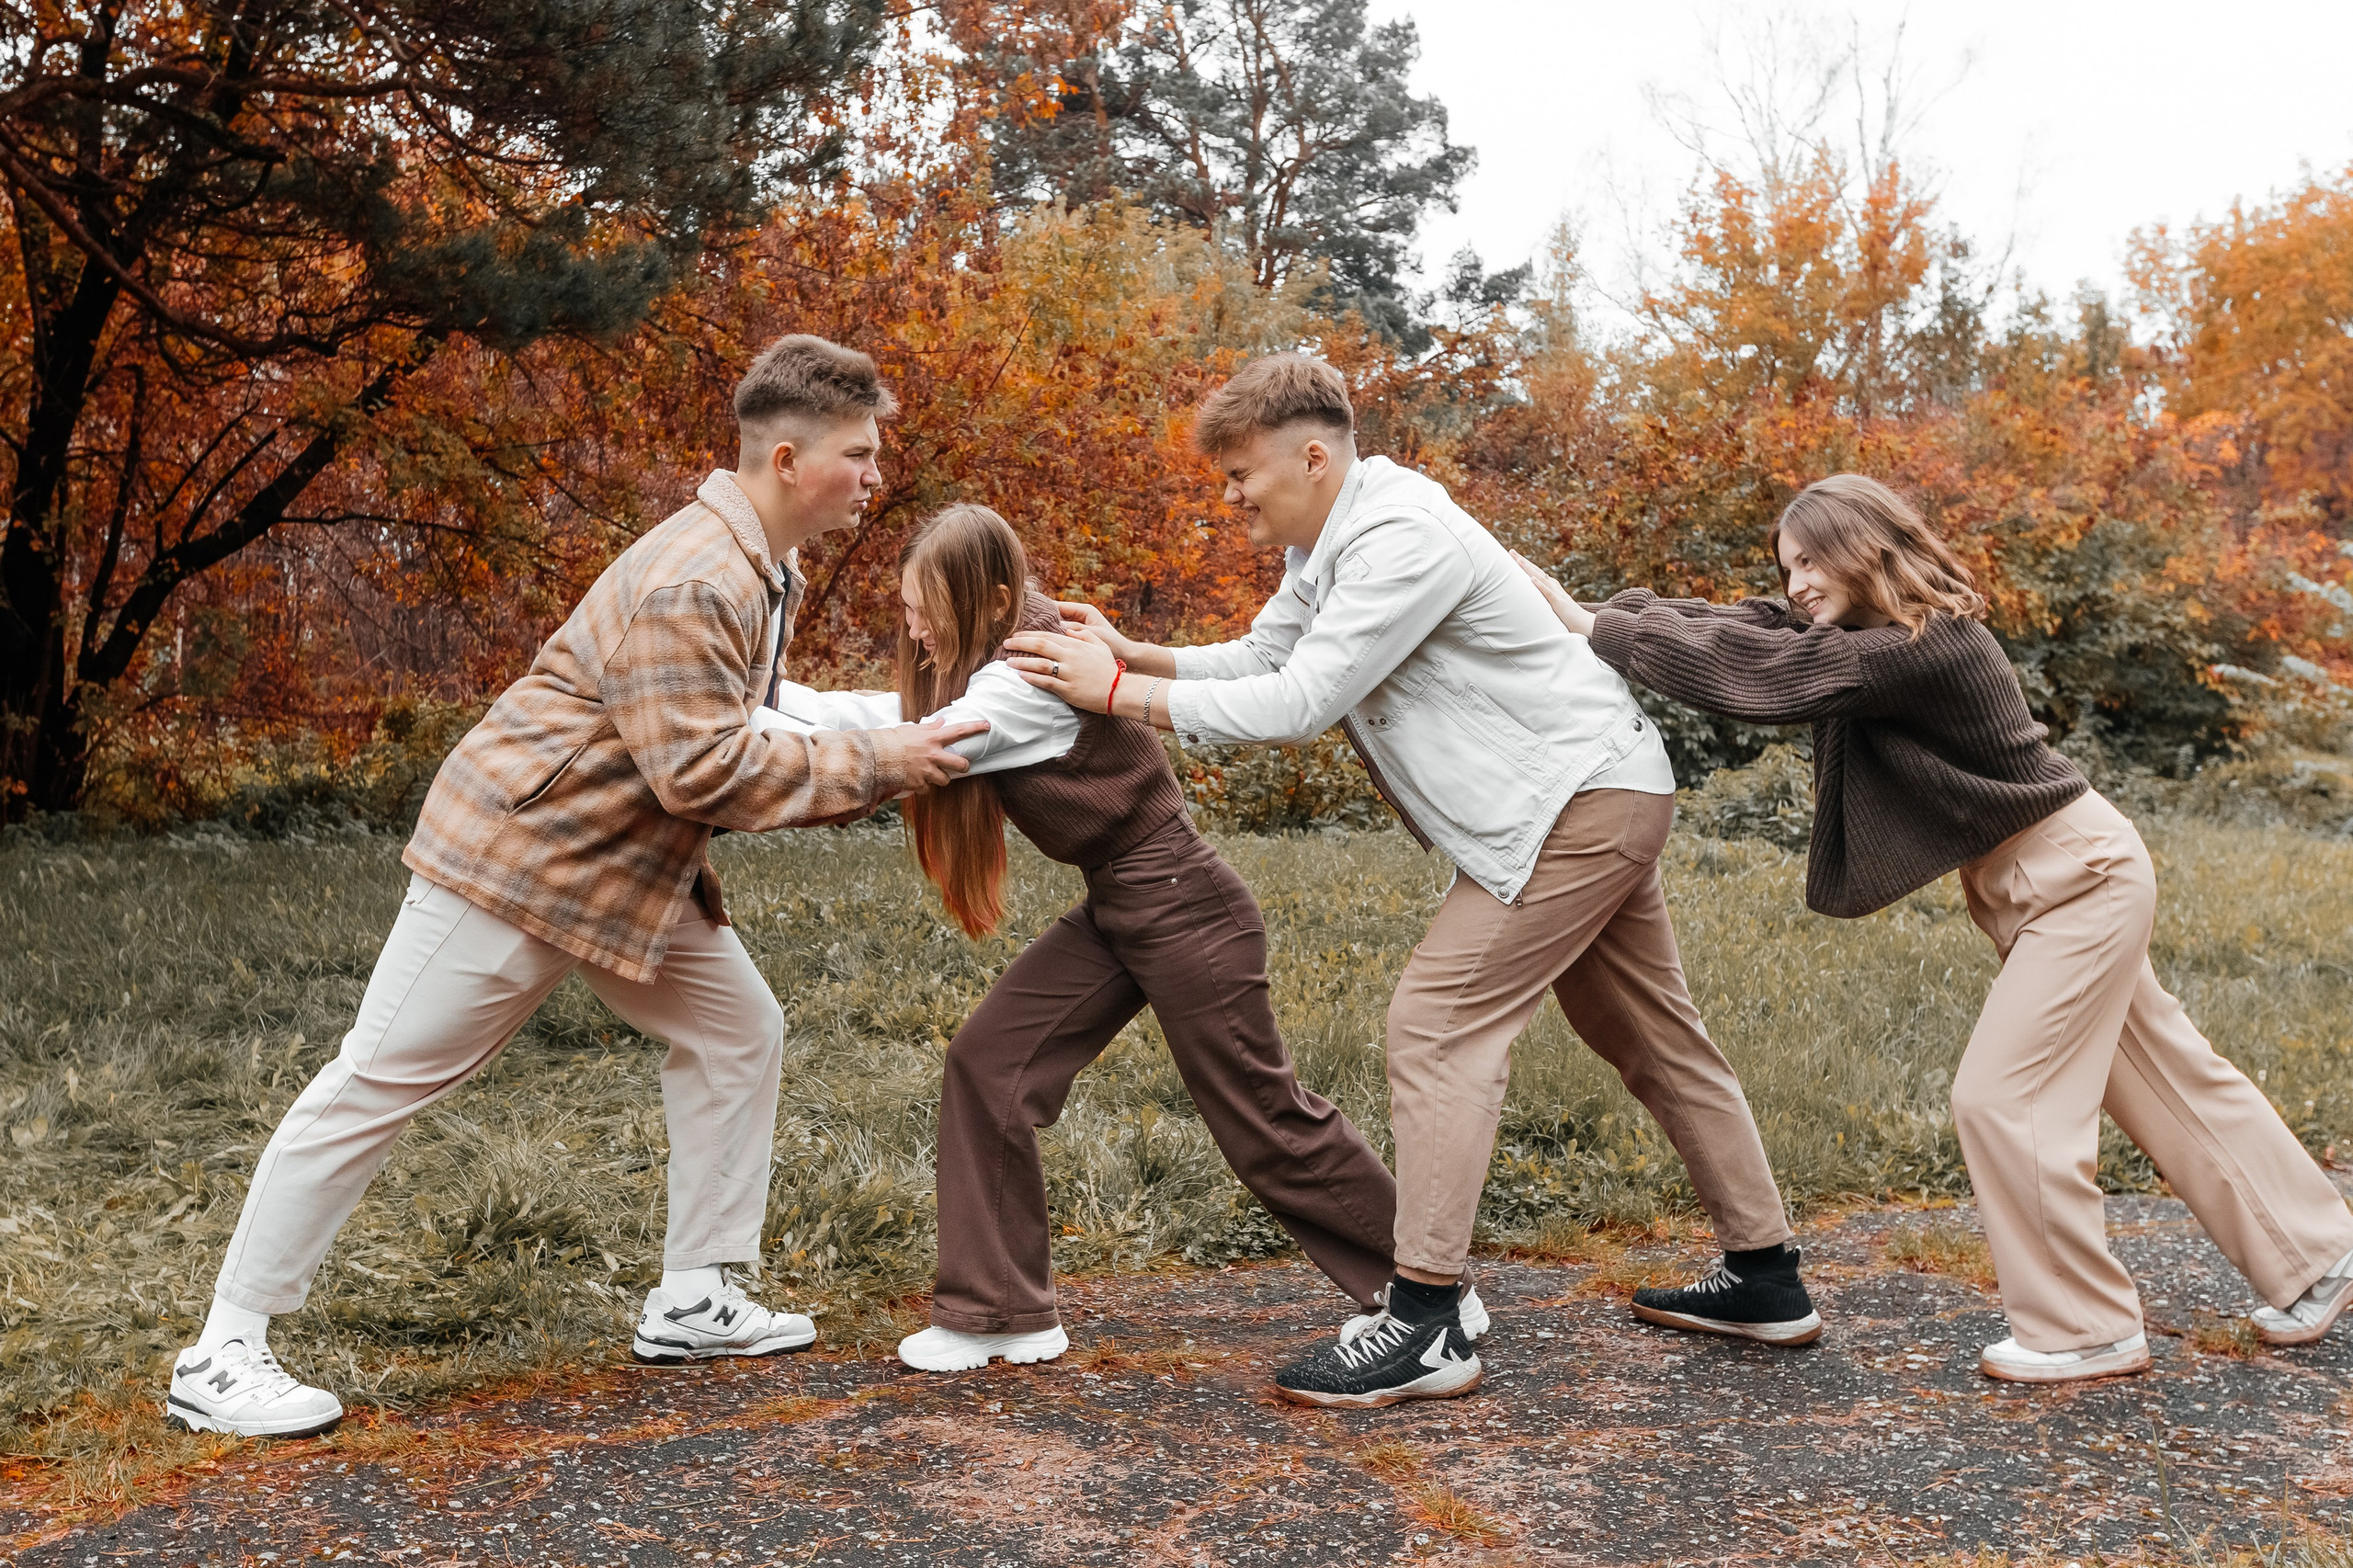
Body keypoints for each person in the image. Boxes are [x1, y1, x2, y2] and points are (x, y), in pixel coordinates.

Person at [164, 336, 986, 1438]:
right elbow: (705, 769)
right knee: (376, 1080)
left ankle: (695, 1295)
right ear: (788, 459)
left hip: (620, 869)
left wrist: (904, 724)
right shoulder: (698, 575)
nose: (876, 474)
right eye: (859, 453)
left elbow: (752, 712)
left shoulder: (757, 564)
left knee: (737, 1029)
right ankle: (222, 1350)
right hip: (518, 863)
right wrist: (892, 760)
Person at [1006, 353, 1818, 1410]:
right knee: (1654, 1036)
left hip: (1572, 804)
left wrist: (1116, 691)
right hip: (1587, 793)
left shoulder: (1399, 535)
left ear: (1312, 456)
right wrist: (1139, 652)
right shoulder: (1329, 542)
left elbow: (1297, 702)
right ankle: (1765, 1275)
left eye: (1242, 473)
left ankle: (1426, 1321)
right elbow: (1265, 656)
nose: (1232, 495)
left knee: (1435, 1027)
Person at [1517, 472, 2353, 1384]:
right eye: (1788, 566)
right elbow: (1752, 628)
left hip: (2078, 878)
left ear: (1862, 547)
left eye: (1810, 561)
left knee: (2003, 1098)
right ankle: (2317, 1254)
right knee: (2165, 1074)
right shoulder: (1879, 632)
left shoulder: (1916, 646)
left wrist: (1595, 627)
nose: (1796, 583)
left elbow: (1764, 674)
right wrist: (1616, 611)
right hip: (2061, 875)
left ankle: (2083, 1327)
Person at [755, 503, 1476, 1376]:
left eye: (924, 610)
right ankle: (1000, 1314)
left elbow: (923, 739)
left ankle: (1425, 1293)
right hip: (1124, 903)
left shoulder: (1028, 677)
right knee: (991, 1066)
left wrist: (764, 719)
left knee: (1263, 1117)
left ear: (988, 598)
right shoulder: (1013, 651)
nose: (913, 630)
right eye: (907, 609)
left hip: (1180, 905)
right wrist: (770, 697)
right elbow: (899, 708)